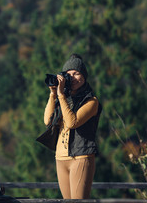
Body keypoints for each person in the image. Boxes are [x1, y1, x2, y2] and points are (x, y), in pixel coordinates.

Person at [43, 53, 102, 199]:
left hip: (81, 156)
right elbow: (47, 121)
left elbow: (72, 122)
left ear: (84, 75)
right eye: (69, 74)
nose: (73, 78)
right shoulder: (64, 99)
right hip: (61, 157)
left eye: (76, 73)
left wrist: (61, 95)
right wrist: (53, 94)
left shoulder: (91, 101)